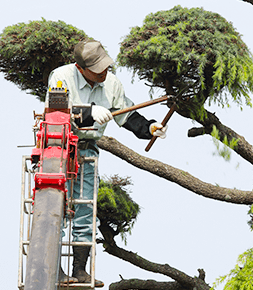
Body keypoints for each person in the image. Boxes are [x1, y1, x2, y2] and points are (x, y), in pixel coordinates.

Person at [46, 39, 168, 287]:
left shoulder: (110, 82)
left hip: (88, 152)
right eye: (97, 68)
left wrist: (150, 127)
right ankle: (54, 270)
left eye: (105, 66)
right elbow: (57, 113)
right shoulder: (61, 77)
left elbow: (127, 114)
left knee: (85, 212)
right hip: (58, 151)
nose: (103, 72)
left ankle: (79, 270)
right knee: (56, 210)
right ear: (81, 68)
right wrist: (88, 112)